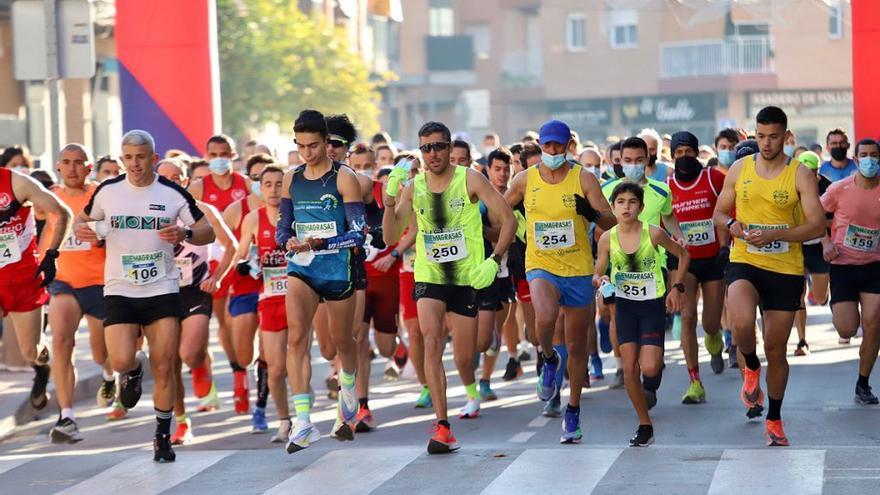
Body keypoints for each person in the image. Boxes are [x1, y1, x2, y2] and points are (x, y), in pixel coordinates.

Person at [75, 129, 215, 462]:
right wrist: (86, 231)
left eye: (141, 157)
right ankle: (133, 372)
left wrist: (185, 232)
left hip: (163, 288)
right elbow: (81, 223)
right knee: (121, 359)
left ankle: (162, 436)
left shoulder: (172, 192)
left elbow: (206, 230)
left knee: (165, 364)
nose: (135, 164)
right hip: (121, 288)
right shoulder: (108, 192)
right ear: (122, 159)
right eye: (128, 157)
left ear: (153, 158)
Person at [383, 121, 516, 454]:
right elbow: (389, 237)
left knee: (467, 353)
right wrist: (389, 200)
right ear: (420, 151)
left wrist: (494, 260)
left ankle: (490, 339)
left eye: (439, 146)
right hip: (429, 275)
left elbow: (508, 220)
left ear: (449, 146)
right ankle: (443, 426)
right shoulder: (413, 187)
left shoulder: (469, 178)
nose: (433, 154)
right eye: (426, 148)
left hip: (468, 277)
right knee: (431, 340)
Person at [713, 106, 825, 447]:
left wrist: (780, 235)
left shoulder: (800, 175)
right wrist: (732, 225)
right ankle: (749, 365)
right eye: (760, 136)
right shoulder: (739, 168)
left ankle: (774, 418)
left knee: (777, 349)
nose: (766, 143)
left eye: (773, 136)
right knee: (742, 322)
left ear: (786, 137)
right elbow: (718, 213)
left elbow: (817, 224)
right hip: (745, 259)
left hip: (785, 268)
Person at [505, 119, 615, 443]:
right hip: (541, 263)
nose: (552, 151)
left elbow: (609, 220)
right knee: (544, 317)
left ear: (568, 146)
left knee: (578, 346)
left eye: (558, 145)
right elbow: (500, 205)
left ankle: (573, 410)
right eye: (547, 145)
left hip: (579, 268)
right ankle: (550, 359)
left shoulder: (585, 178)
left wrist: (591, 213)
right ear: (540, 144)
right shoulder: (524, 179)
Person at [276, 110, 365, 452]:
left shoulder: (344, 178)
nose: (308, 153)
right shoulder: (291, 178)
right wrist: (288, 242)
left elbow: (358, 235)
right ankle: (302, 421)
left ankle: (348, 385)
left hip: (337, 270)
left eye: (314, 146)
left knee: (343, 343)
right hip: (302, 267)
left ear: (327, 143)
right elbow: (283, 226)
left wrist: (322, 243)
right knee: (297, 336)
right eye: (301, 146)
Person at [595, 181, 689, 446]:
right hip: (624, 306)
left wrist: (676, 288)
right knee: (630, 366)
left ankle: (653, 382)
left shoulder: (654, 233)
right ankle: (644, 424)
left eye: (632, 202)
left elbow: (683, 256)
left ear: (641, 207)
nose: (626, 207)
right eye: (621, 202)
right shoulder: (606, 238)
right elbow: (598, 270)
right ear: (612, 207)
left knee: (649, 366)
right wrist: (601, 280)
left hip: (651, 304)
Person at [157, 159, 236, 445]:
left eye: (177, 177)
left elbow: (232, 247)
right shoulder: (147, 213)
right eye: (165, 178)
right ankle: (181, 423)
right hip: (160, 292)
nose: (172, 182)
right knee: (169, 363)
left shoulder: (203, 211)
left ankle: (201, 362)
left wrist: (216, 278)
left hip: (195, 289)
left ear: (186, 181)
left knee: (189, 354)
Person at [44, 144, 115, 443]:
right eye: (66, 162)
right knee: (61, 340)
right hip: (65, 281)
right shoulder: (50, 199)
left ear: (88, 168)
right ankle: (67, 416)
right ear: (58, 167)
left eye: (79, 163)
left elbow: (119, 232)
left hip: (100, 282)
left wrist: (99, 237)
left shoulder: (102, 194)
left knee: (102, 354)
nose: (72, 168)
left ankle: (110, 376)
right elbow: (45, 235)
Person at [228, 163, 294, 441]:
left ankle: (302, 407)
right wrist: (240, 265)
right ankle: (284, 420)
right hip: (269, 299)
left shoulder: (298, 216)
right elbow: (241, 253)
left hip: (298, 297)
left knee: (297, 359)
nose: (273, 190)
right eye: (267, 184)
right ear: (260, 188)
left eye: (279, 184)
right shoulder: (253, 219)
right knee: (276, 368)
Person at [187, 134, 251, 415]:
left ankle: (244, 371)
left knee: (238, 322)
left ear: (233, 155)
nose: (218, 159)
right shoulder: (199, 187)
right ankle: (237, 373)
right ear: (206, 156)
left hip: (242, 260)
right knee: (222, 322)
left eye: (224, 153)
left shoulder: (245, 185)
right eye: (213, 154)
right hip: (212, 264)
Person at [1, 158, 70, 418]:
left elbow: (63, 213)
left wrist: (52, 255)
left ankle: (42, 369)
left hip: (22, 280)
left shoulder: (16, 183)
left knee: (31, 350)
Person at [666, 132, 729, 405]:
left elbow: (727, 212)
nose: (683, 158)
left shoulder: (714, 179)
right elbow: (661, 221)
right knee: (688, 316)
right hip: (684, 262)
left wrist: (725, 247)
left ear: (696, 153)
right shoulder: (666, 187)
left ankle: (714, 338)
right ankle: (695, 382)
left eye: (688, 153)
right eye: (678, 154)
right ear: (671, 157)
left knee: (710, 322)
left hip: (713, 259)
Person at [821, 138, 880, 404]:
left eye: (874, 155)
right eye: (864, 155)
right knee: (847, 329)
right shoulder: (839, 189)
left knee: (873, 324)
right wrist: (825, 242)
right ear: (856, 160)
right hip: (843, 265)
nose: (869, 159)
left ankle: (863, 383)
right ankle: (844, 315)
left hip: (874, 266)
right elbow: (814, 215)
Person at [792, 151, 830, 355]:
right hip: (797, 245)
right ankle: (802, 340)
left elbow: (835, 219)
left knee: (820, 296)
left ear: (817, 172)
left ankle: (825, 293)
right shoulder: (790, 186)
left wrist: (826, 238)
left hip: (819, 246)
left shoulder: (827, 186)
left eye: (811, 171)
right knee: (799, 296)